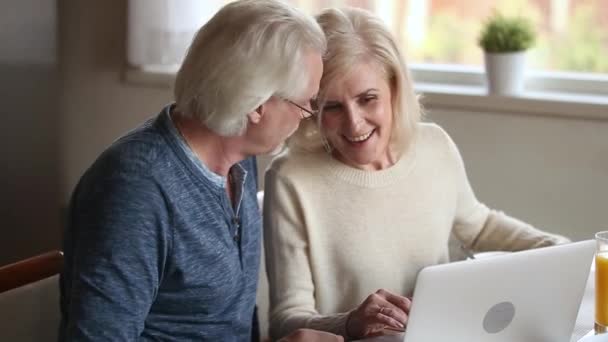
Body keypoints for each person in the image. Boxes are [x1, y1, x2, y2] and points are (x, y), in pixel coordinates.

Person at [263, 6, 570, 341]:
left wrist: (554, 247)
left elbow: (478, 225)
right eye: (332, 107)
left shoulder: (434, 144)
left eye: (368, 99)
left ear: (395, 89)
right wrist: (351, 322)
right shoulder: (291, 178)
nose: (354, 123)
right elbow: (285, 320)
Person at [58, 1, 344, 341]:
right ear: (257, 106)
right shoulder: (135, 190)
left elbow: (232, 323)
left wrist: (345, 325)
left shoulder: (240, 159)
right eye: (304, 103)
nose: (308, 114)